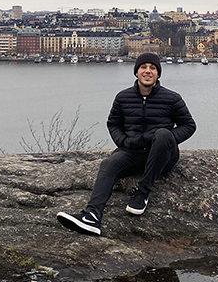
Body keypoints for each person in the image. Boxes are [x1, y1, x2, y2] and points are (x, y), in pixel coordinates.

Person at [56, 52, 196, 236]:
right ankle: (92, 217)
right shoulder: (123, 97)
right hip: (134, 152)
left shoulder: (172, 98)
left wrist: (168, 138)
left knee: (162, 134)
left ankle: (142, 193)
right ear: (136, 72)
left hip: (163, 155)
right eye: (143, 67)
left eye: (152, 68)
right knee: (109, 163)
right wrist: (124, 142)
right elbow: (113, 124)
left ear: (158, 74)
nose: (148, 71)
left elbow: (189, 125)